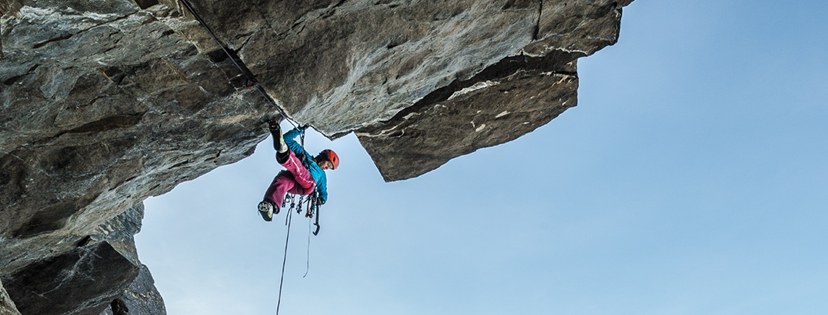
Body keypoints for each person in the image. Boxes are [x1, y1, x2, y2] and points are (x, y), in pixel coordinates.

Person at [258, 119, 339, 221]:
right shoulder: (305, 155)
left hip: (307, 183)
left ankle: (285, 154)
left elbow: (323, 192)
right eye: (328, 164)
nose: (327, 168)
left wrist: (322, 200)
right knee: (282, 179)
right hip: (294, 180)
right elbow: (286, 139)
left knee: (299, 169)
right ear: (323, 157)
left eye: (329, 168)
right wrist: (299, 130)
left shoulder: (321, 174)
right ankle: (270, 205)